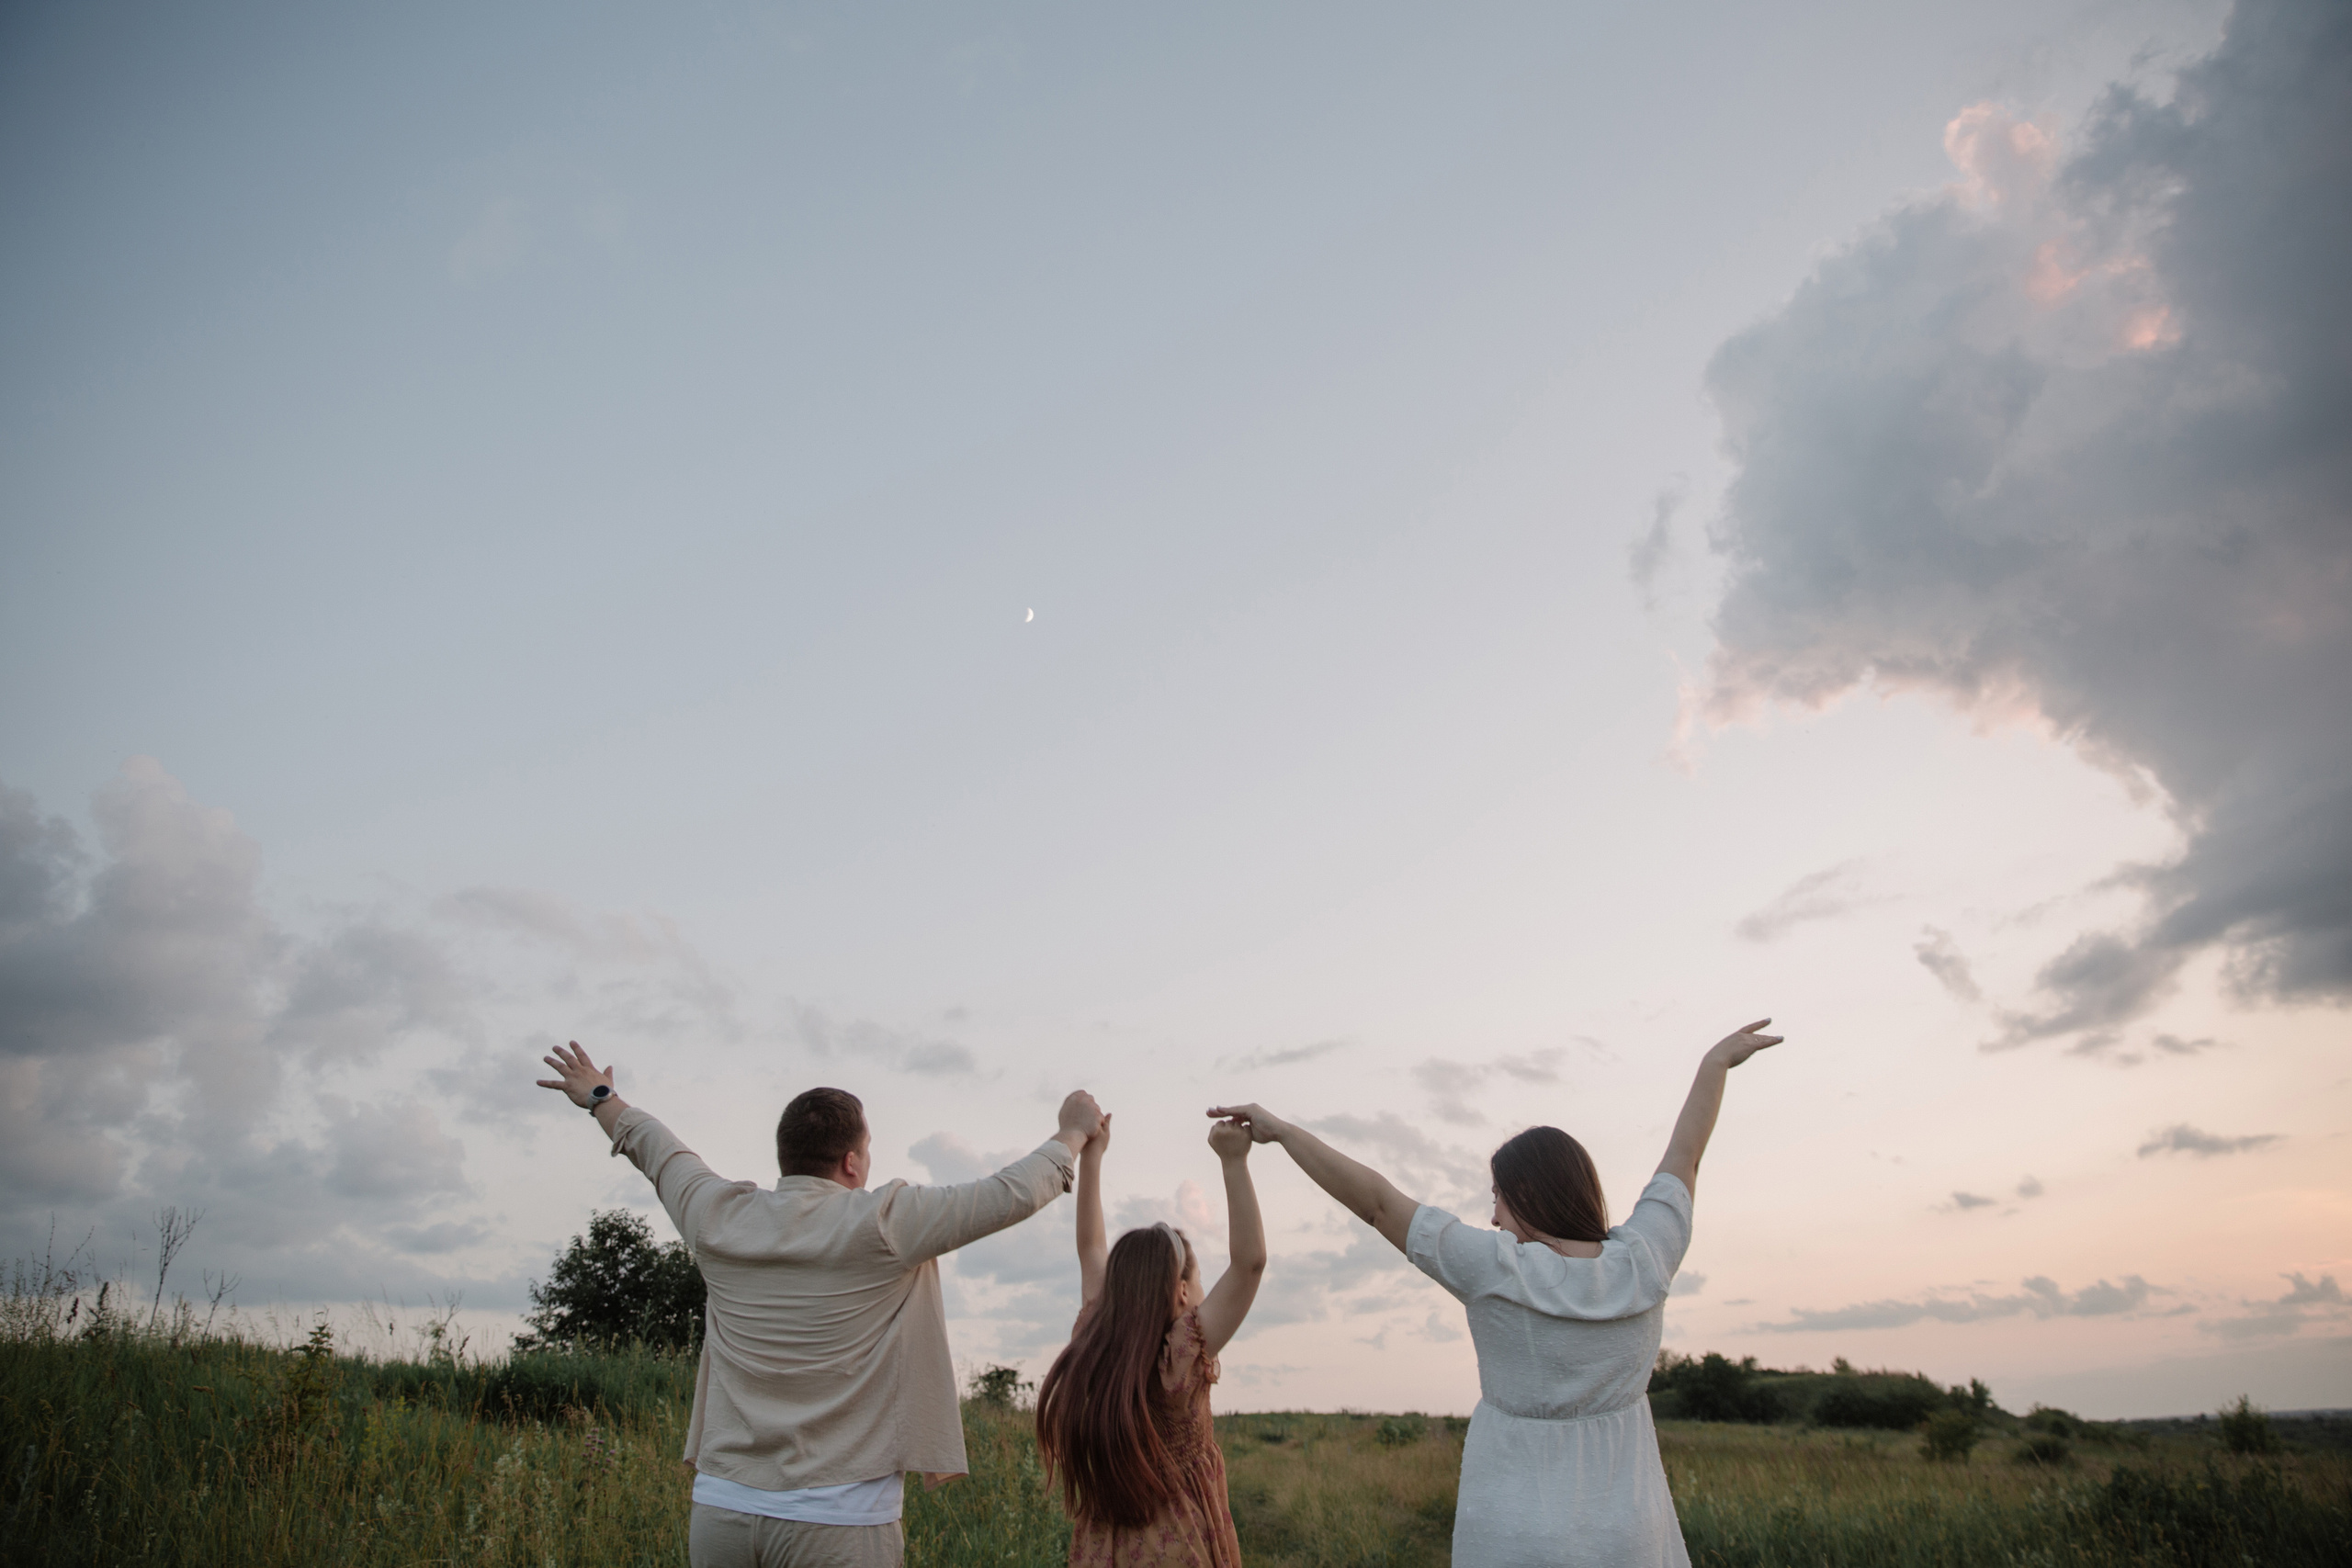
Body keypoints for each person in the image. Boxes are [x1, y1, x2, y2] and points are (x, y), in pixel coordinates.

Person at [1209, 1019, 1783, 1568]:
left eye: (1498, 1197)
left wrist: (1283, 1133)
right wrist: (1714, 1067)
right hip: (1627, 1535)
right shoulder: (1646, 1259)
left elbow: (1377, 1203)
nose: (1492, 1214)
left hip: (1513, 1532)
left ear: (1527, 1192)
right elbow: (1684, 1157)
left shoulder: (1494, 1268)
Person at [537, 1040, 1105, 1568]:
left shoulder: (716, 1215)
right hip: (839, 1521)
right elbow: (1011, 1192)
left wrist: (600, 1099)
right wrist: (1072, 1132)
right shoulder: (884, 1224)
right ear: (852, 1163)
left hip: (722, 1513)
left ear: (785, 1157)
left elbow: (657, 1150)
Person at [1034, 1110, 1267, 1567]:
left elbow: (1091, 1249)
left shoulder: (1096, 1341)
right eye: (1199, 1284)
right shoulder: (1179, 1359)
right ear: (1182, 1293)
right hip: (1177, 1546)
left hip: (1104, 1550)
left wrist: (1094, 1155)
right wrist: (1234, 1162)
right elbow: (1250, 1264)